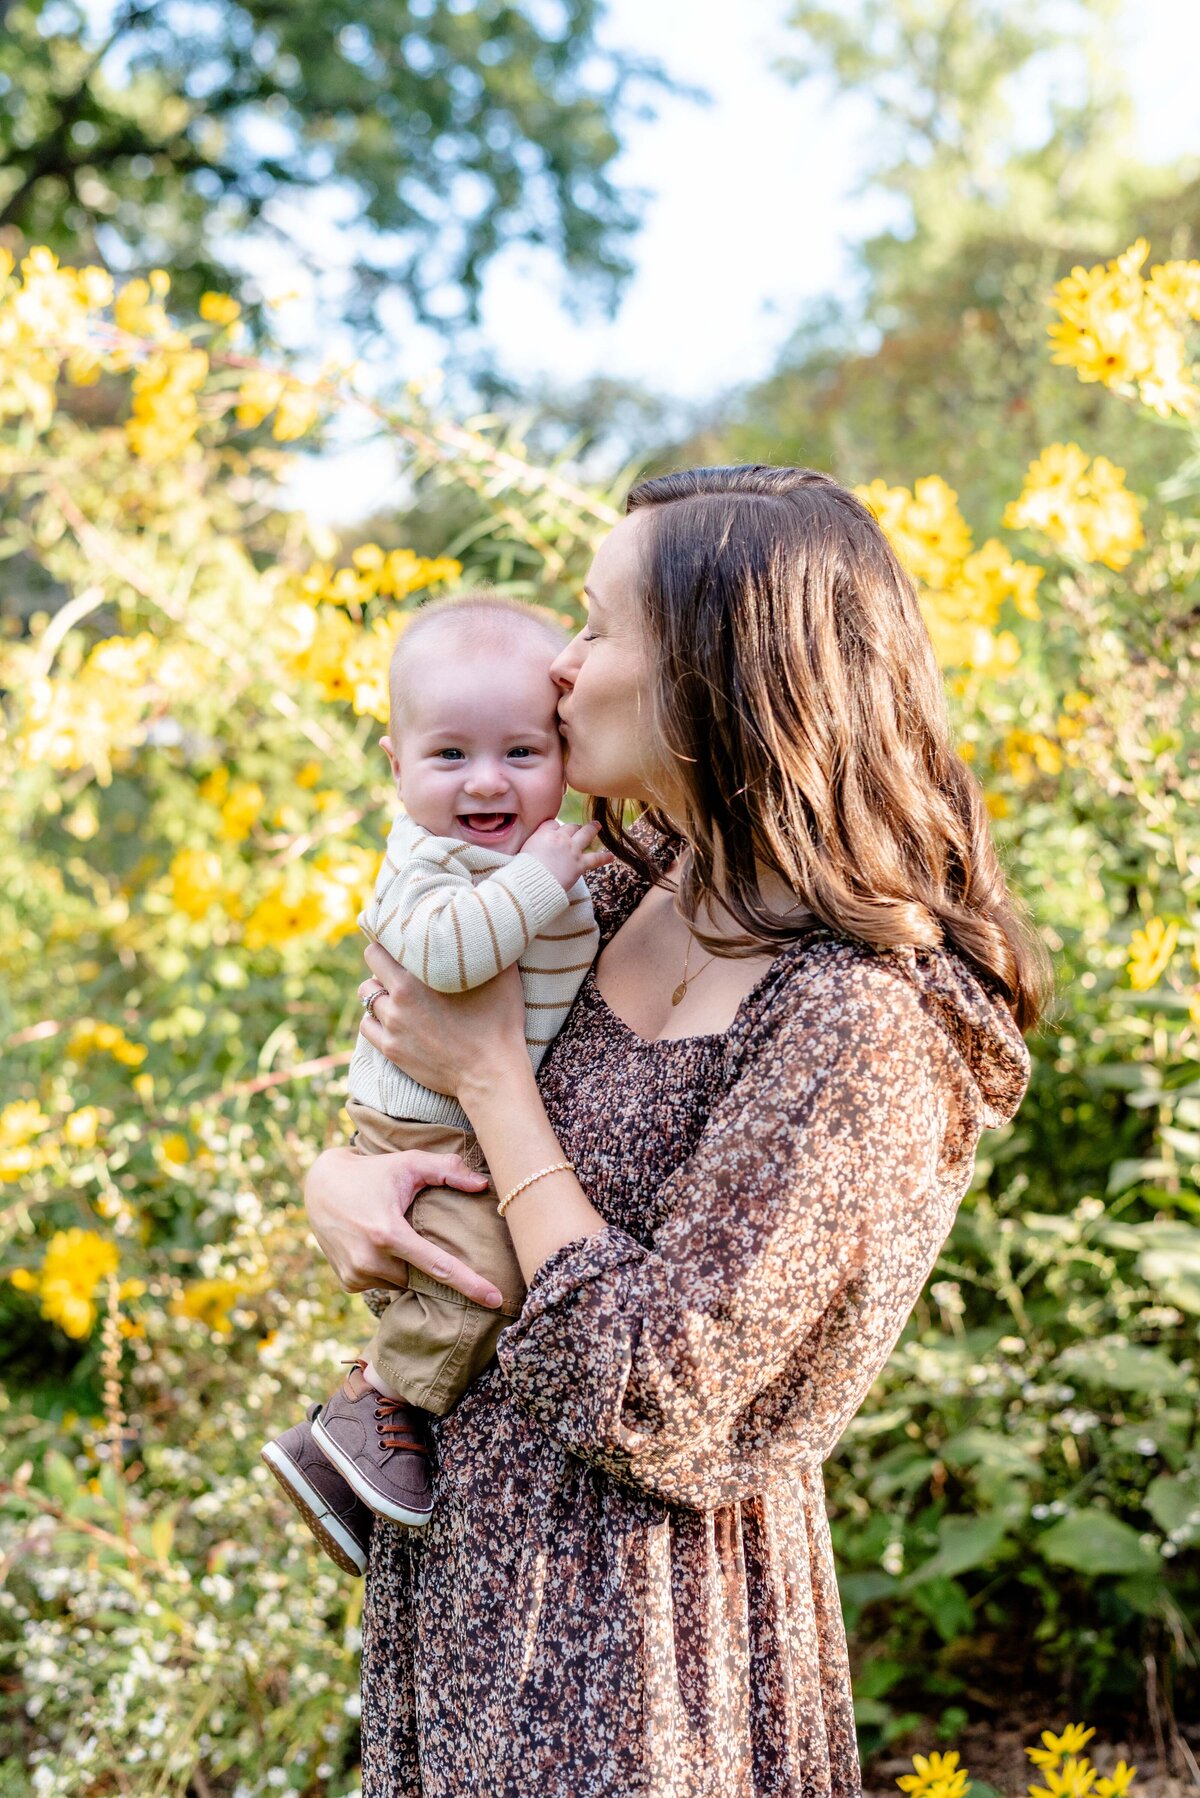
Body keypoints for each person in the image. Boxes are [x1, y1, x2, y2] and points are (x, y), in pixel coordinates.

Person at [302, 465, 1051, 1798]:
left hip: (644, 1639)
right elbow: (411, 1087)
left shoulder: (856, 1023)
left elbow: (660, 1388)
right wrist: (339, 1180)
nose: (559, 670)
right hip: (467, 1580)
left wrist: (492, 1084)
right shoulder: (621, 883)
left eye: (594, 628)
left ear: (715, 677)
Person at [262, 595, 608, 1570]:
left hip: (457, 1125)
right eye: (450, 755)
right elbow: (448, 961)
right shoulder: (428, 863)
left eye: (522, 754)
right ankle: (371, 1402)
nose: (484, 782)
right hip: (420, 1131)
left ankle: (338, 1454)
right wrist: (542, 877)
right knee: (485, 1278)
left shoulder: (520, 855)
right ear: (396, 764)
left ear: (566, 757)